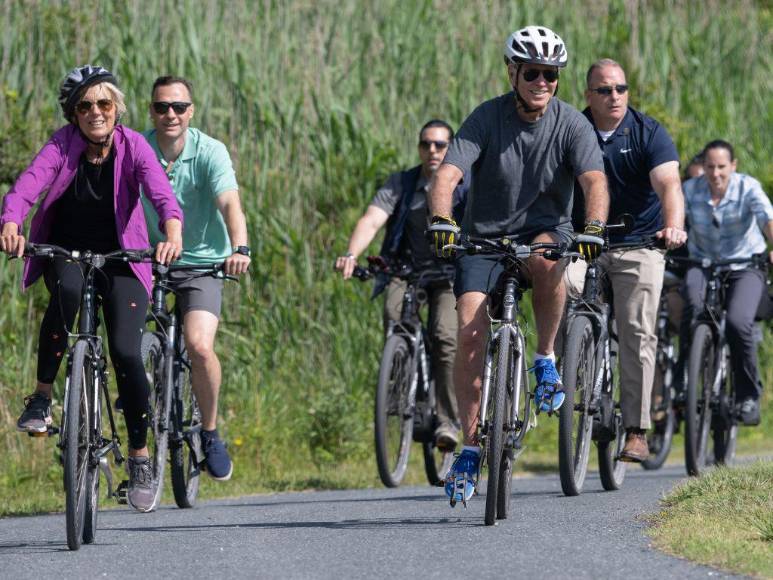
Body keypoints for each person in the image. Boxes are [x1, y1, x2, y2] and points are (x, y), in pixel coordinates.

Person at [427, 26, 610, 503]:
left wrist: (592, 226)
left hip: (544, 234)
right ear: (512, 72)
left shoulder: (573, 124)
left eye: (551, 74)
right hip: (484, 238)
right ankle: (470, 446)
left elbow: (594, 181)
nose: (542, 82)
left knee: (550, 258)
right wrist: (442, 219)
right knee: (468, 331)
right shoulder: (487, 118)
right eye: (532, 72)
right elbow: (448, 174)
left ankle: (544, 358)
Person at [0, 65, 183, 512]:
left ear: (116, 108)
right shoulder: (62, 145)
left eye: (104, 103)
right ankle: (42, 398)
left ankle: (139, 457)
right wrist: (10, 221)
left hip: (124, 258)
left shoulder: (134, 145)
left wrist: (172, 233)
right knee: (63, 294)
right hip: (67, 250)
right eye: (85, 105)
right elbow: (28, 186)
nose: (96, 112)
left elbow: (160, 194)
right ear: (73, 113)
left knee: (125, 350)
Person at [566, 58, 687, 462]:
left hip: (639, 243)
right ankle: (570, 370)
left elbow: (669, 183)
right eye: (604, 90)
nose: (614, 96)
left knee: (637, 330)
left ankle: (636, 430)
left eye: (620, 88)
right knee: (559, 284)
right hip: (585, 242)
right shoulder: (572, 129)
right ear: (589, 95)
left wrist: (673, 226)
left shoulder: (647, 132)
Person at [142, 76, 250, 481]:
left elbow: (229, 203)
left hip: (203, 262)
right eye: (161, 107)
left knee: (200, 346)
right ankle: (139, 392)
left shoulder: (210, 151)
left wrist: (239, 249)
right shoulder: (137, 147)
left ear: (192, 111)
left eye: (179, 107)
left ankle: (209, 432)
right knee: (125, 334)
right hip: (148, 258)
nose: (170, 114)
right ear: (151, 110)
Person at [335, 120, 466, 450]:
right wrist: (352, 253)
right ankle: (402, 378)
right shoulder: (402, 183)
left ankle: (448, 420)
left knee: (445, 337)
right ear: (419, 148)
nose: (433, 150)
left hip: (449, 274)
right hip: (405, 269)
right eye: (426, 144)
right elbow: (372, 219)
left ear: (451, 148)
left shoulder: (462, 185)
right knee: (394, 316)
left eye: (440, 145)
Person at [681, 140, 773, 425]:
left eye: (722, 167)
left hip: (744, 266)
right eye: (710, 167)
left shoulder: (748, 187)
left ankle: (748, 396)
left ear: (733, 166)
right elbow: (672, 215)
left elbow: (767, 218)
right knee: (693, 306)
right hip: (703, 264)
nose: (716, 173)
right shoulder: (690, 190)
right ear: (703, 167)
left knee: (737, 321)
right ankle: (691, 373)